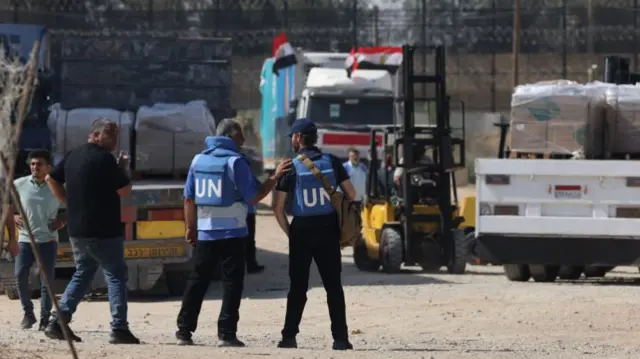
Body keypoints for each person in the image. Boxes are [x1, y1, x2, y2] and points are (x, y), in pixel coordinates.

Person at [175, 118, 291, 347]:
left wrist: (191, 228)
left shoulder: (198, 160)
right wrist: (274, 177)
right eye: (240, 137)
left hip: (207, 233)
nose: (243, 141)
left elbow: (189, 198)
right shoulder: (235, 162)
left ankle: (183, 331)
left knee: (197, 281)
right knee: (231, 284)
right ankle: (226, 334)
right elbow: (255, 196)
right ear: (229, 137)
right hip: (233, 234)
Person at [45, 118, 139, 344]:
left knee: (84, 271)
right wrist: (122, 168)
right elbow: (125, 191)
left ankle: (58, 321)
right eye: (110, 134)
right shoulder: (105, 159)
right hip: (104, 229)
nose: (115, 138)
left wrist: (68, 203)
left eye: (116, 134)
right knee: (115, 275)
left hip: (78, 229)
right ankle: (119, 328)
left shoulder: (72, 155)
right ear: (95, 135)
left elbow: (51, 178)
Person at [273, 119, 356, 351]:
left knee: (297, 287)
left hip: (301, 231)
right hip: (328, 229)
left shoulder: (290, 166)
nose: (291, 140)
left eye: (292, 136)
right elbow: (351, 193)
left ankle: (289, 337)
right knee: (333, 287)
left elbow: (278, 208)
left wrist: (291, 233)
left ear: (298, 138)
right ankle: (340, 339)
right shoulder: (331, 162)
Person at [14, 150, 66, 331]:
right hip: (25, 240)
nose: (35, 167)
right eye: (33, 164)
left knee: (47, 281)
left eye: (39, 164)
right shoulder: (19, 184)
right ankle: (28, 314)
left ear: (48, 167)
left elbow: (73, 206)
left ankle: (45, 318)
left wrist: (62, 220)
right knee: (20, 275)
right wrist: (13, 216)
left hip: (48, 240)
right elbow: (6, 203)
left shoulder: (56, 186)